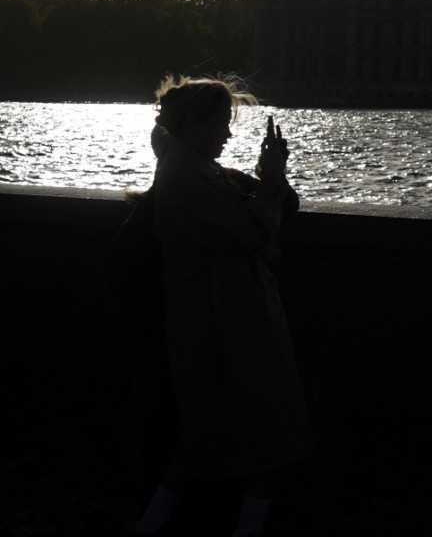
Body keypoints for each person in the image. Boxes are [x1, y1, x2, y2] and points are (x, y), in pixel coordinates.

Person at [127, 77, 308, 537]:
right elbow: (256, 233)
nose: (228, 135)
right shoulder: (193, 178)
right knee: (265, 442)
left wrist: (268, 180)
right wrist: (271, 180)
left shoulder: (186, 169)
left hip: (208, 323)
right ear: (196, 125)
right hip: (230, 327)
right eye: (221, 124)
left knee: (200, 443)